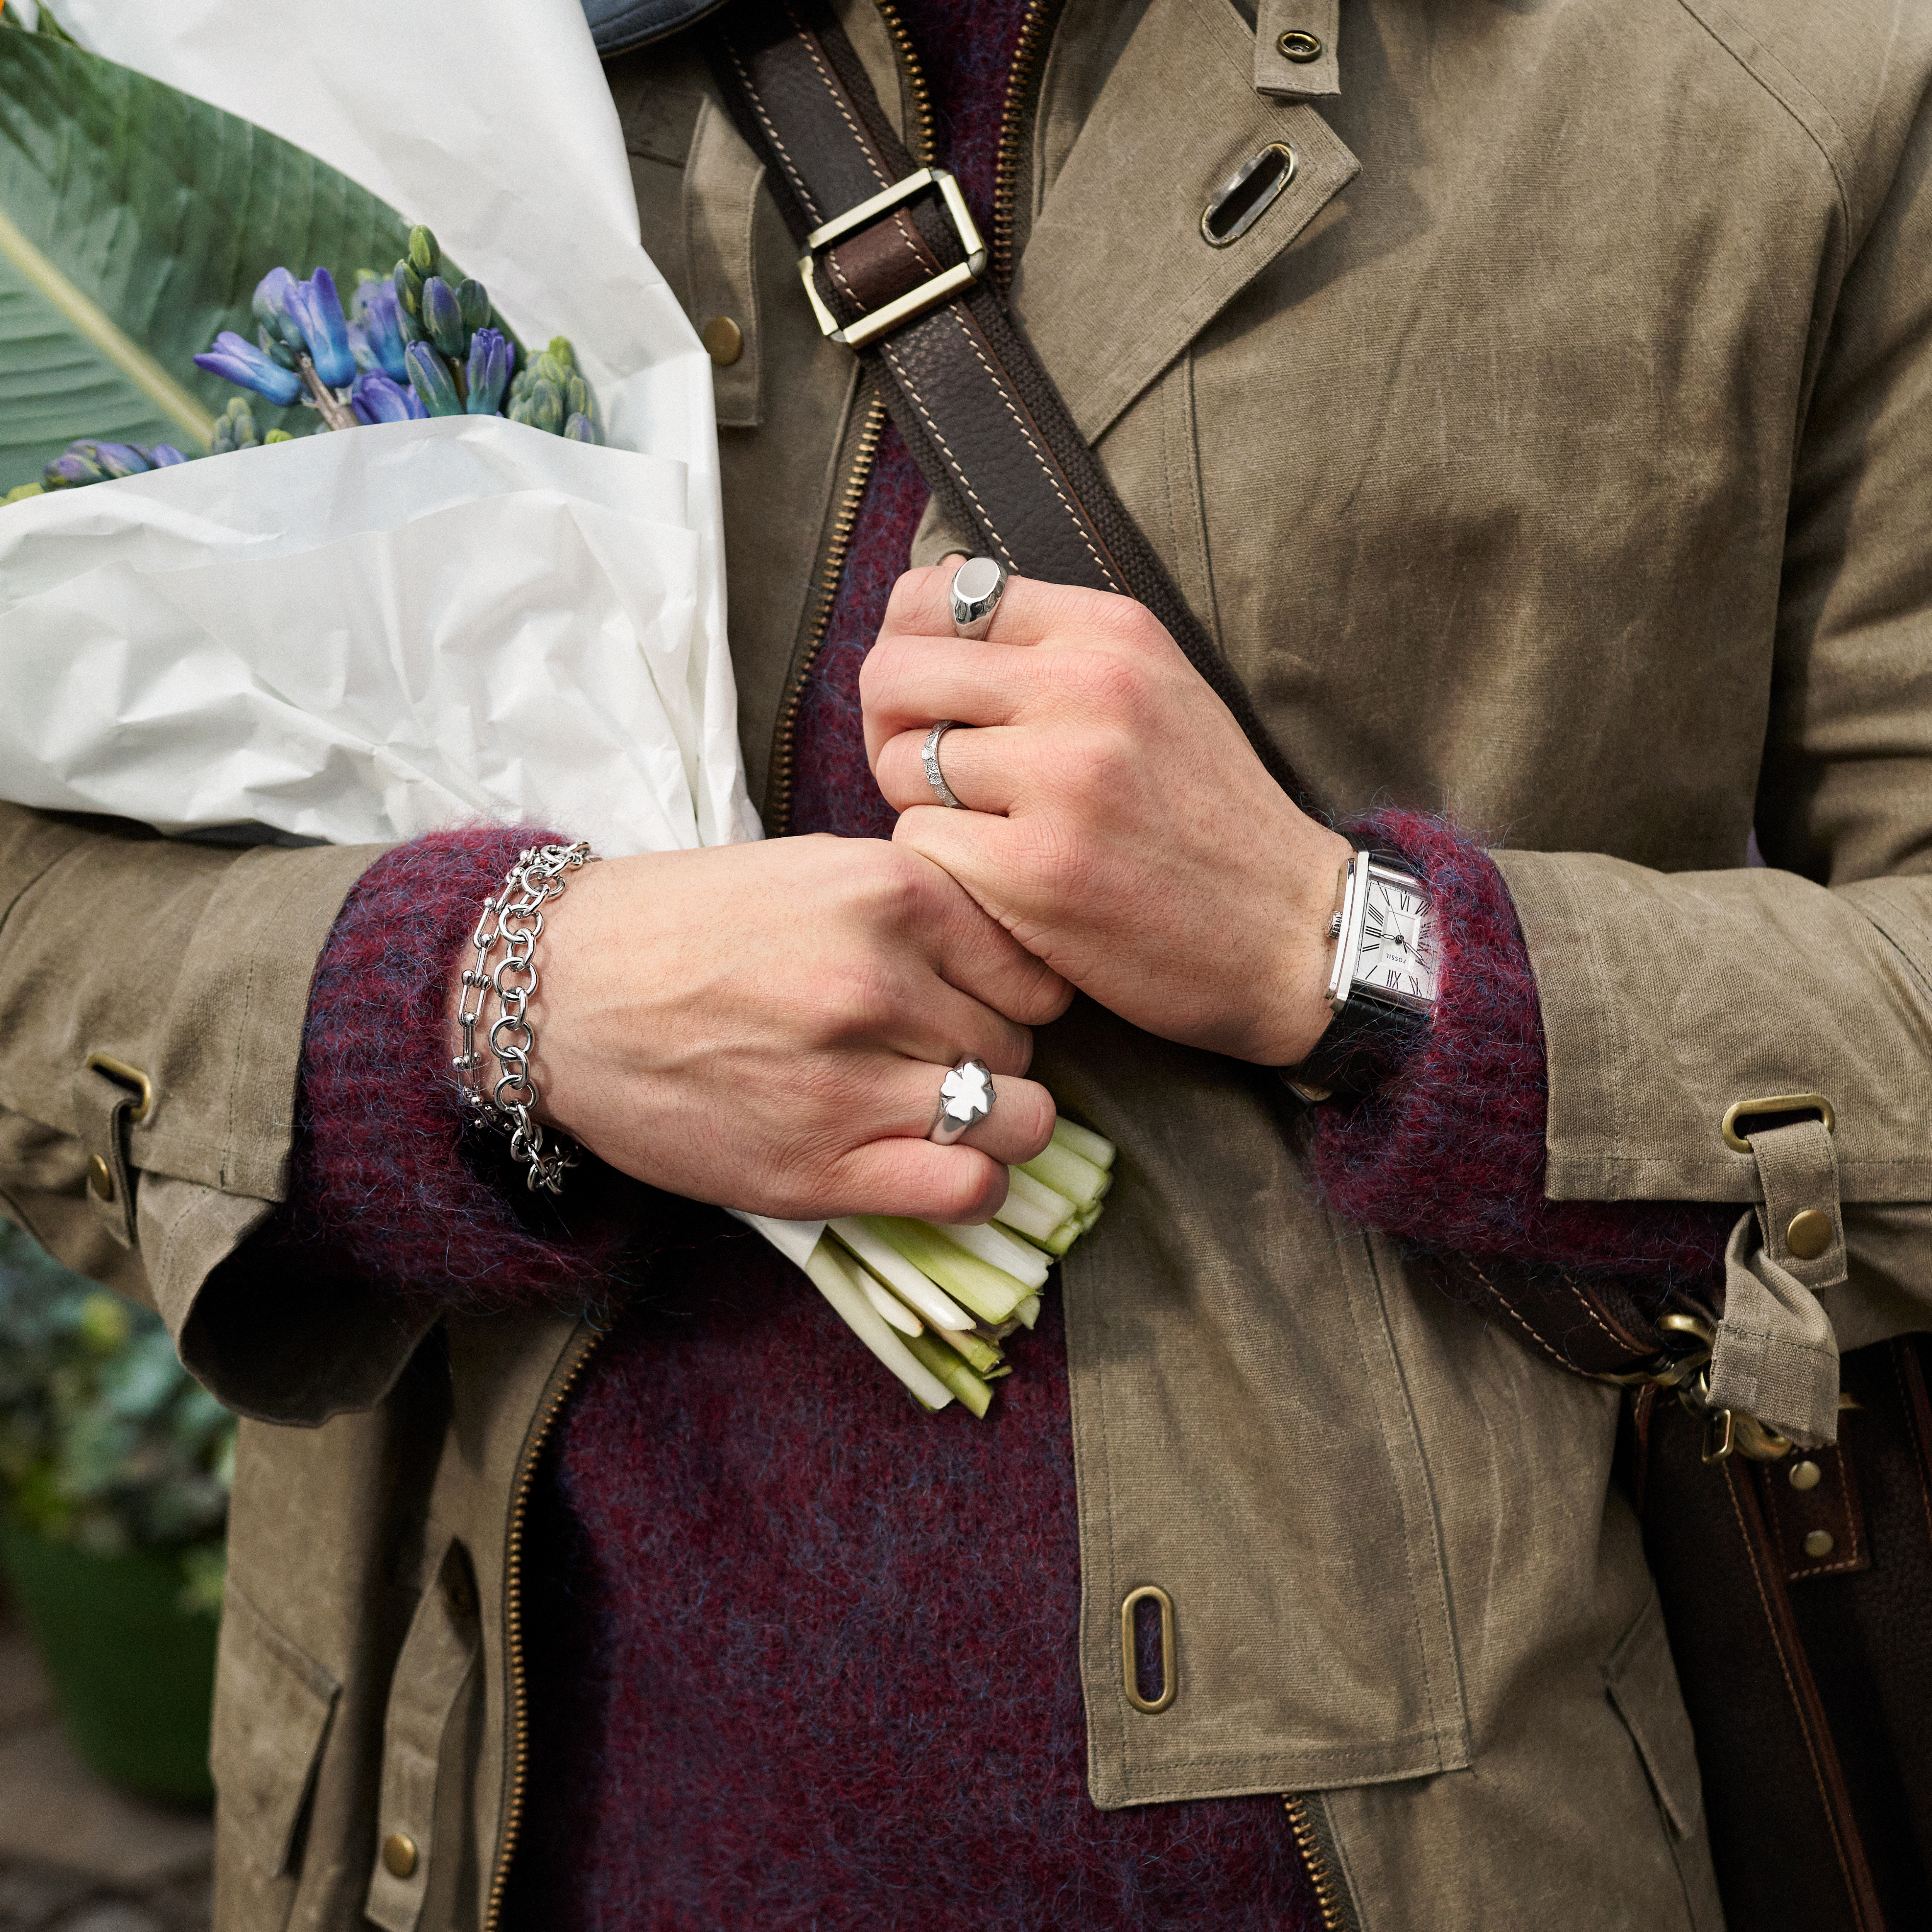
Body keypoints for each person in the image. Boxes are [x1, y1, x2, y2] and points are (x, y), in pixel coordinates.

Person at [4, 0, 1930, 1926]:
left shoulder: (1775, 77)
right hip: (498, 1825)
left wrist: (1349, 949)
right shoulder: (352, 43)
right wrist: (484, 995)